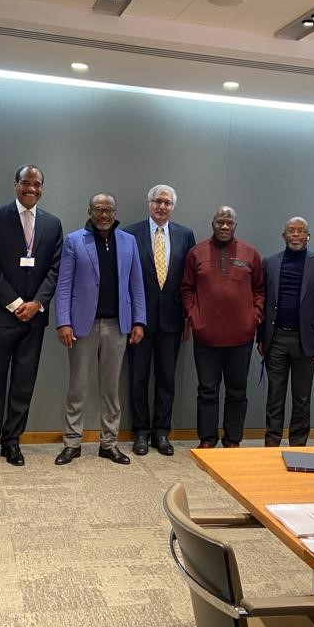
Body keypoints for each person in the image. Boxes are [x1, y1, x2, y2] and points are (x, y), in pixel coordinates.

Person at [0, 164, 63, 468]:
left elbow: (55, 269)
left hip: (34, 319)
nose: (31, 188)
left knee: (23, 384)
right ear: (15, 184)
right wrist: (15, 303)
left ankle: (12, 441)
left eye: (37, 184)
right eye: (25, 183)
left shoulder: (53, 224)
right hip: (1, 316)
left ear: (42, 187)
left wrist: (36, 303)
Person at [54, 193, 145, 466]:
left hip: (118, 325)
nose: (104, 215)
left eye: (108, 210)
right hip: (83, 325)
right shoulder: (74, 241)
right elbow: (63, 286)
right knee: (77, 387)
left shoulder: (128, 242)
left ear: (115, 212)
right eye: (98, 209)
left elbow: (136, 285)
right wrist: (63, 322)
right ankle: (72, 443)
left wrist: (139, 321)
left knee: (111, 389)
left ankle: (109, 443)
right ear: (90, 211)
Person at [181, 206, 263, 448]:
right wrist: (193, 316)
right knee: (207, 390)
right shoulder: (196, 253)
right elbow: (186, 288)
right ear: (213, 224)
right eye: (220, 222)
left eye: (229, 223)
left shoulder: (250, 254)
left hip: (241, 337)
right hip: (206, 336)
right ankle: (207, 438)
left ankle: (232, 440)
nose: (224, 226)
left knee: (237, 391)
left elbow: (260, 290)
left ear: (235, 225)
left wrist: (254, 317)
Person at [124, 184, 196, 456]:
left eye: (167, 202)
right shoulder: (130, 234)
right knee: (138, 377)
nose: (162, 206)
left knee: (167, 378)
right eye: (157, 201)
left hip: (173, 320)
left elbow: (189, 281)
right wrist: (132, 318)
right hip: (139, 322)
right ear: (149, 204)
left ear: (172, 206)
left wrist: (189, 319)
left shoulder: (185, 235)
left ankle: (162, 432)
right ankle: (141, 432)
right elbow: (126, 280)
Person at [257, 217, 314, 447]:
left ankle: (298, 444)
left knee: (302, 397)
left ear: (308, 235)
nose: (296, 235)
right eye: (291, 231)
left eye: (300, 231)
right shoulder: (269, 263)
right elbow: (263, 300)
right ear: (283, 235)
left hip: (306, 340)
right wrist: (261, 337)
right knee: (274, 396)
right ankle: (272, 442)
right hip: (276, 338)